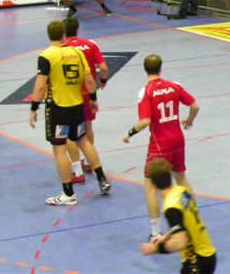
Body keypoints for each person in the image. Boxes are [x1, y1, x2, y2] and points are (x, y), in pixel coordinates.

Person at [28, 20, 112, 205]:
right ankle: (102, 179)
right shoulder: (77, 53)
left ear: (49, 35)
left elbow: (40, 86)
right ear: (64, 35)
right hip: (77, 105)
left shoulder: (46, 55)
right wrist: (93, 99)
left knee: (59, 149)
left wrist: (34, 108)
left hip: (58, 108)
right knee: (83, 141)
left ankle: (68, 194)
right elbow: (89, 80)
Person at [122, 54, 200, 242]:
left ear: (145, 69)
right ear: (161, 68)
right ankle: (193, 220)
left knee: (150, 186)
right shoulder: (174, 86)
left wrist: (129, 133)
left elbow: (145, 121)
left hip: (159, 145)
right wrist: (189, 120)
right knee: (181, 178)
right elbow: (195, 105)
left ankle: (155, 233)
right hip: (178, 140)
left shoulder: (146, 91)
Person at [140, 158, 217, 273]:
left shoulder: (171, 208)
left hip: (196, 261)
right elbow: (184, 222)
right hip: (207, 253)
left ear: (153, 184)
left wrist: (155, 248)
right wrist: (165, 237)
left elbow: (180, 243)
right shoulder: (181, 191)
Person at [62, 17, 109, 182]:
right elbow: (103, 68)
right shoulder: (90, 44)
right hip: (88, 93)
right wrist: (103, 80)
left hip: (70, 95)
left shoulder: (62, 48)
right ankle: (89, 163)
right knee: (88, 127)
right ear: (78, 29)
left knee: (69, 132)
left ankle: (77, 171)